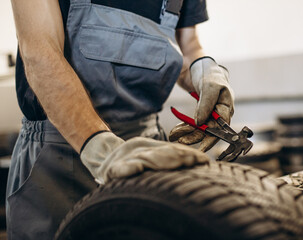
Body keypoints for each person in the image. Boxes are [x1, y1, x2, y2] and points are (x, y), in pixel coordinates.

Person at [6, 0, 234, 239]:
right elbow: (40, 53)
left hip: (147, 149)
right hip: (60, 157)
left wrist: (204, 70)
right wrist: (102, 149)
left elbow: (189, 45)